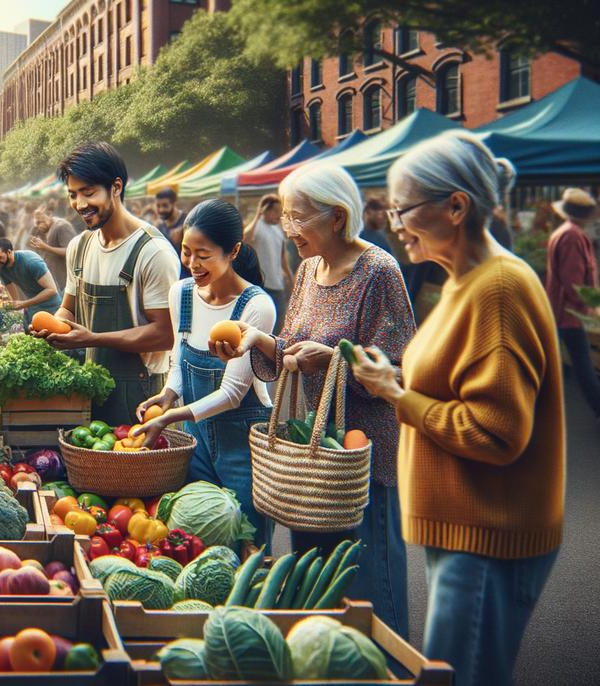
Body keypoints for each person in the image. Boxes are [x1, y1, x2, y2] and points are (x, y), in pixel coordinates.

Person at [351, 131, 562, 686]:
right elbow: (461, 391)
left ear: (456, 206)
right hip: (468, 531)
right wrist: (394, 378)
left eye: (404, 209)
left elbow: (496, 432)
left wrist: (396, 395)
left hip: (486, 534)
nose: (395, 223)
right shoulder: (464, 282)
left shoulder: (497, 289)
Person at [215, 162, 414, 637]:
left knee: (367, 587)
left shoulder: (378, 271)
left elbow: (402, 372)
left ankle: (389, 668)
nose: (288, 229)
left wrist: (333, 360)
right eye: (284, 217)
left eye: (297, 218)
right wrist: (258, 341)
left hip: (361, 459)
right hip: (311, 455)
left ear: (338, 217)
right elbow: (291, 349)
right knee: (316, 583)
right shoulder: (307, 270)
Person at [133, 200, 276, 548]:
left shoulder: (256, 307)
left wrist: (167, 419)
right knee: (197, 541)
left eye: (203, 254)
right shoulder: (181, 294)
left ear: (234, 251)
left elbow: (232, 394)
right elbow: (178, 355)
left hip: (243, 441)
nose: (192, 264)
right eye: (185, 252)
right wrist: (169, 393)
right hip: (196, 437)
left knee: (248, 545)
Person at [37, 142, 177, 426]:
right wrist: (54, 328)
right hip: (91, 388)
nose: (80, 205)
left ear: (116, 187)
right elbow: (69, 309)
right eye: (73, 195)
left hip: (141, 396)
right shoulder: (80, 246)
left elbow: (165, 334)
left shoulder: (153, 253)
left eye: (89, 193)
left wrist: (91, 339)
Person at [545, 187, 600, 420]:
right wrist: (590, 306)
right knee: (583, 365)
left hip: (564, 312)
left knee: (572, 363)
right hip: (569, 313)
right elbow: (574, 283)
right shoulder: (572, 236)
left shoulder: (566, 233)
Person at [242, 193, 292, 330]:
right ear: (266, 210)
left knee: (279, 326)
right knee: (259, 327)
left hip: (278, 286)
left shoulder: (278, 230)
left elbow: (283, 258)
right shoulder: (256, 227)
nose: (278, 214)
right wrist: (258, 214)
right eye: (276, 211)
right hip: (261, 286)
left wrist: (291, 279)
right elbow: (245, 239)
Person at [0, 237, 62, 327]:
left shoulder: (31, 262)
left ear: (9, 252)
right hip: (32, 308)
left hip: (51, 307)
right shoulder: (2, 269)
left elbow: (52, 290)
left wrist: (25, 304)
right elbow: (15, 301)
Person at [28, 206, 78, 291]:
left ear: (50, 215)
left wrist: (46, 247)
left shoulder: (62, 226)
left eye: (41, 222)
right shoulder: (47, 226)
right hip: (53, 280)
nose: (39, 226)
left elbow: (70, 250)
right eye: (37, 224)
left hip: (65, 281)